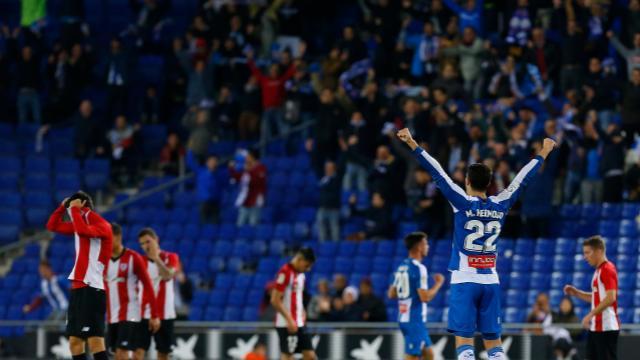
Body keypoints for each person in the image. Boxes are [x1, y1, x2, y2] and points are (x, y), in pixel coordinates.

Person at [396, 128, 556, 360]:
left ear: (467, 181)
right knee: (494, 344)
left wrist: (413, 143)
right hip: (491, 280)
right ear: (490, 183)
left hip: (465, 279)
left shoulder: (462, 203)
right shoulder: (501, 204)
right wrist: (544, 152)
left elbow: (437, 172)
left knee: (465, 342)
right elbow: (522, 180)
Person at [45, 191, 113, 360]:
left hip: (92, 288)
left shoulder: (102, 225)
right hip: (77, 288)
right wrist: (62, 207)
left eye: (72, 209)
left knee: (95, 341)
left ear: (82, 205)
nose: (70, 215)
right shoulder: (80, 225)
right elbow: (52, 226)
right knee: (74, 342)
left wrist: (74, 210)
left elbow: (83, 231)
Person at [105, 223, 160, 360]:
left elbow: (148, 286)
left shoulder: (133, 258)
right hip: (112, 315)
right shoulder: (103, 259)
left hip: (130, 313)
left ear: (118, 237)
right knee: (116, 355)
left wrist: (154, 314)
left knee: (122, 353)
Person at [388, 232, 444, 360]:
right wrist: (438, 284)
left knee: (429, 354)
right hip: (414, 319)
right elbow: (425, 297)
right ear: (419, 246)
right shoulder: (419, 268)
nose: (428, 246)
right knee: (412, 355)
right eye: (426, 243)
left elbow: (391, 293)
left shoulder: (401, 266)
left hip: (404, 317)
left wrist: (407, 294)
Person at [563, 236, 619, 360]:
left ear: (599, 251)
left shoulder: (607, 269)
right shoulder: (599, 271)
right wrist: (577, 293)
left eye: (588, 252)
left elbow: (611, 298)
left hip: (606, 327)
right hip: (597, 327)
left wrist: (590, 314)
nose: (585, 257)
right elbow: (597, 298)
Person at [135, 228, 181, 360]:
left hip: (165, 313)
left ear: (156, 240)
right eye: (142, 244)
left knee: (163, 354)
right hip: (143, 313)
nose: (145, 246)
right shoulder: (139, 260)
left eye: (148, 242)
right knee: (138, 352)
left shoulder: (171, 257)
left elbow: (167, 276)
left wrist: (155, 258)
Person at [271, 247, 316, 360]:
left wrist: (303, 311)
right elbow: (275, 300)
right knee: (288, 355)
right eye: (306, 265)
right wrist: (289, 319)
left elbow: (297, 297)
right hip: (287, 323)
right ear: (299, 259)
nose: (308, 269)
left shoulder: (301, 275)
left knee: (310, 355)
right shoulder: (285, 272)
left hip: (299, 322)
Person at [185, 149, 228, 224]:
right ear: (207, 162)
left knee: (215, 225)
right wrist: (190, 150)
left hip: (216, 202)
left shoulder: (220, 173)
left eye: (215, 161)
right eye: (211, 161)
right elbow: (190, 162)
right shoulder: (201, 171)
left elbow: (226, 184)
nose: (213, 163)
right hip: (203, 202)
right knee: (203, 224)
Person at [229, 149, 267, 226]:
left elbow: (257, 182)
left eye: (248, 156)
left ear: (253, 157)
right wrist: (232, 169)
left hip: (255, 200)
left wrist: (249, 171)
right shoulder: (246, 168)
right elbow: (238, 178)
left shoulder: (261, 168)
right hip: (245, 200)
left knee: (253, 224)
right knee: (240, 224)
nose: (246, 158)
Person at [316, 161, 341, 242]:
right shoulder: (323, 179)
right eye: (326, 168)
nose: (327, 169)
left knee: (334, 228)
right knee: (320, 225)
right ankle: (322, 245)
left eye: (329, 168)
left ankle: (335, 245)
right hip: (322, 207)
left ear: (333, 169)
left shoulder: (336, 179)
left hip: (333, 208)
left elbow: (333, 191)